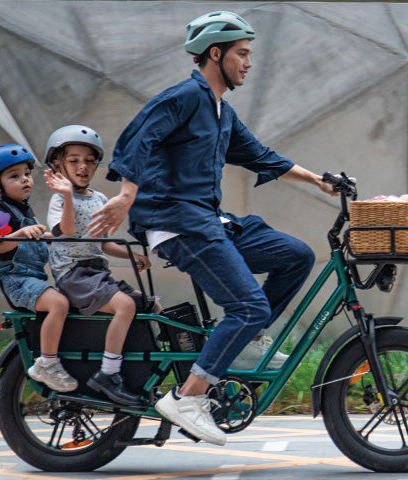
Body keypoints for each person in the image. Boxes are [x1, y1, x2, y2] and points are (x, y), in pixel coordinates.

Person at [88, 11, 338, 445]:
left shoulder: (221, 111)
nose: (248, 63)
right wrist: (127, 194)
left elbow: (260, 155)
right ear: (215, 54)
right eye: (242, 54)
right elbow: (138, 137)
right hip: (177, 222)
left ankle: (245, 341)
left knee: (294, 255)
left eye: (249, 55)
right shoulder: (185, 96)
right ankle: (188, 396)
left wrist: (318, 179)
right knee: (249, 306)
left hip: (209, 220)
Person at [42, 125, 160, 407]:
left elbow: (102, 243)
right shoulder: (59, 200)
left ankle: (145, 369)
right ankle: (108, 374)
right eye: (73, 160)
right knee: (126, 306)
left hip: (97, 271)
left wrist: (132, 256)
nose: (83, 166)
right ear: (58, 165)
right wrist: (68, 196)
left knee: (149, 305)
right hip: (74, 276)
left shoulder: (100, 199)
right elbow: (67, 230)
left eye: (89, 160)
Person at [0, 144, 77, 392]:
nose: (24, 180)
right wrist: (21, 233)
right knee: (59, 304)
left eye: (26, 174)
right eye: (14, 176)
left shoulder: (24, 209)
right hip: (15, 279)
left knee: (69, 301)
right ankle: (47, 364)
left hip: (33, 278)